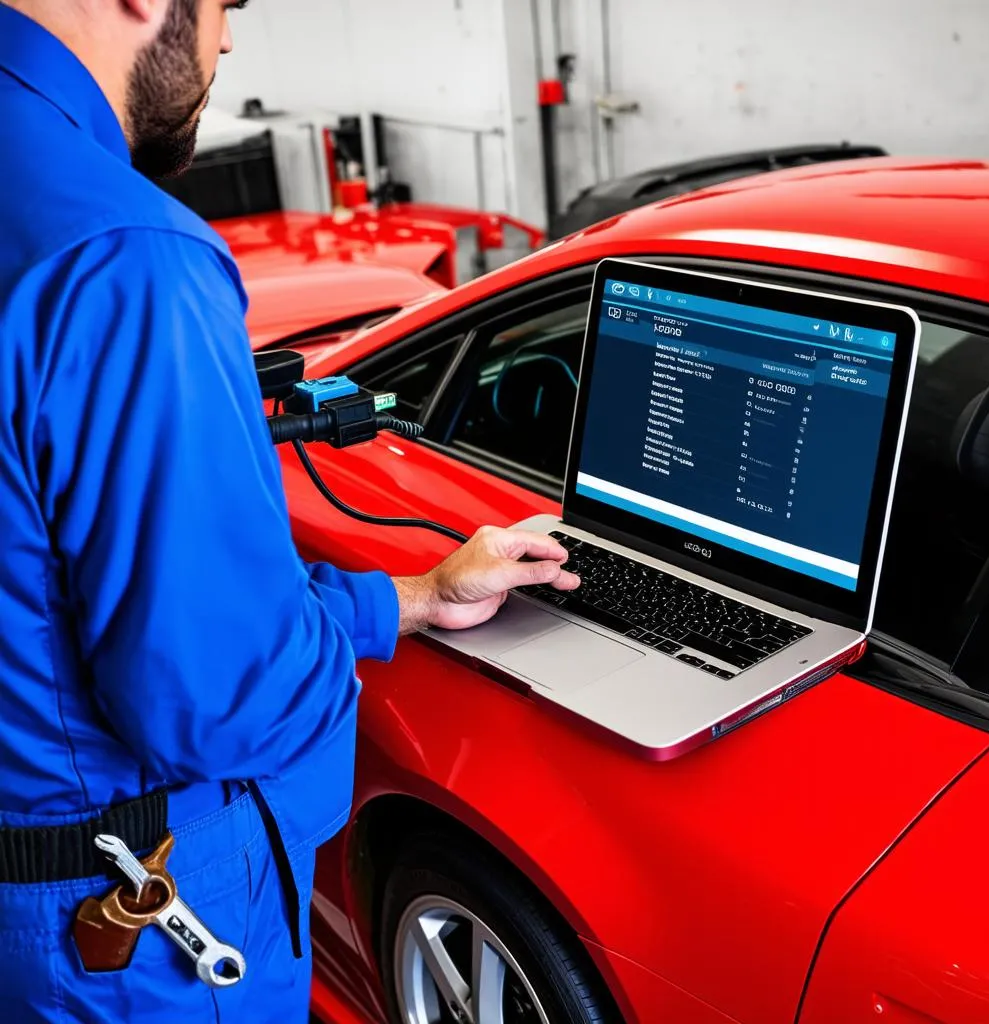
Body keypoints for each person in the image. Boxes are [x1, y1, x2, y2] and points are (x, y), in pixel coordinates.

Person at [0, 1, 579, 1020]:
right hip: (123, 935)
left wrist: (410, 598)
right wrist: (322, 653)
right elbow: (219, 702)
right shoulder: (124, 259)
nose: (227, 43)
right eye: (227, 7)